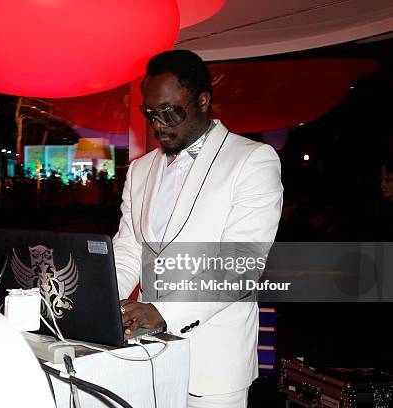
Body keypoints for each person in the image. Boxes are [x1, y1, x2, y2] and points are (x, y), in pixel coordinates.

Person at [113, 50, 283, 407]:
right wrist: (103, 298)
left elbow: (241, 263)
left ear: (203, 100)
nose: (159, 124)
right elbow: (130, 248)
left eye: (170, 111)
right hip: (146, 352)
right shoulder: (141, 169)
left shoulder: (252, 160)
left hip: (214, 361)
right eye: (150, 113)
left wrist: (165, 312)